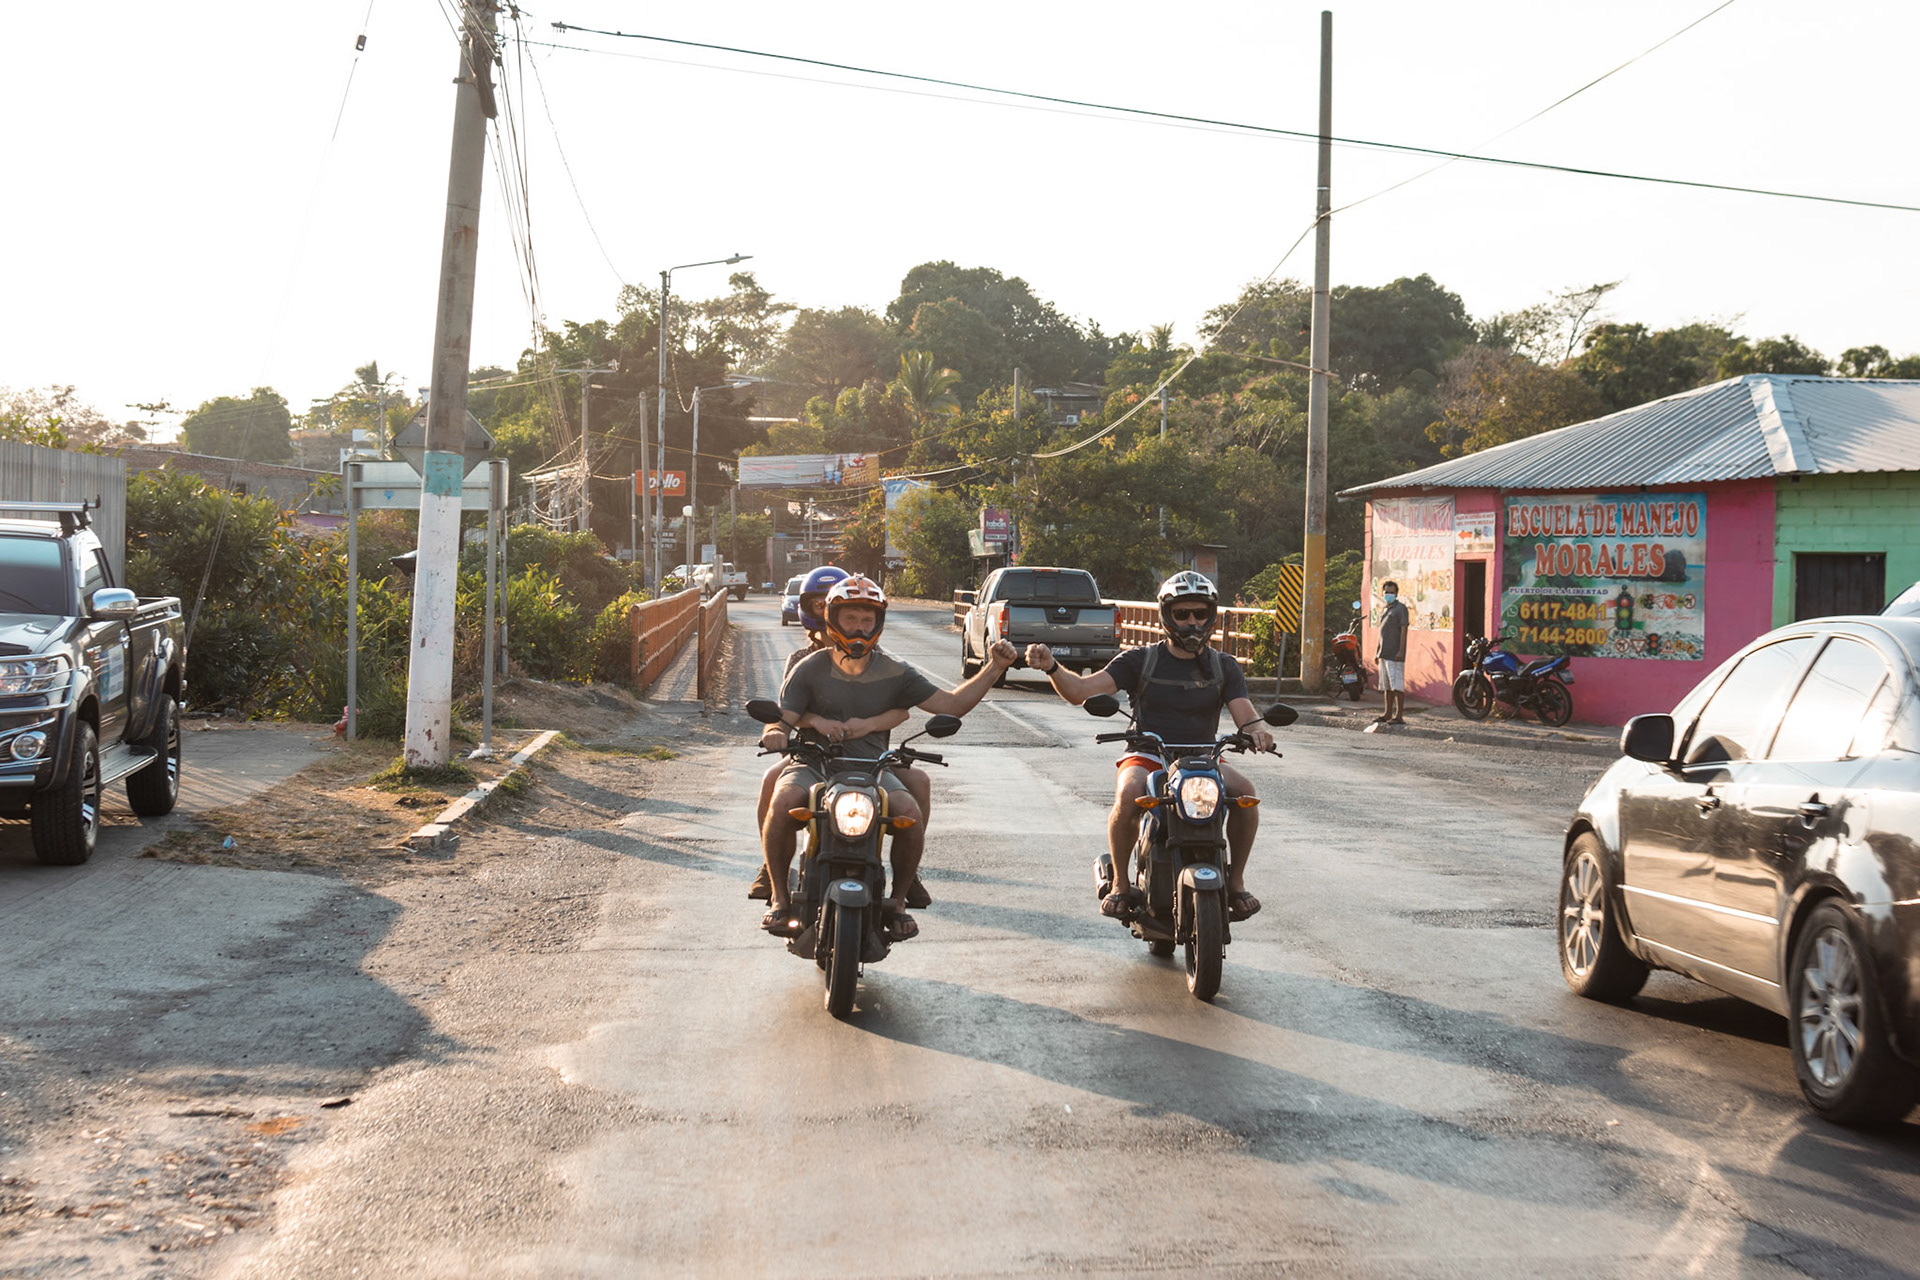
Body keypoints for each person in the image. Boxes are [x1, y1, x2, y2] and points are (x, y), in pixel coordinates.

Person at [760, 575, 1016, 942]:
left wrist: (993, 668)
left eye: (867, 620)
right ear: (832, 618)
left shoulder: (897, 671)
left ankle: (897, 903)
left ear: (878, 624)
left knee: (909, 813)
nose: (859, 629)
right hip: (815, 765)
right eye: (851, 619)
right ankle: (780, 900)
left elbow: (952, 705)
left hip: (873, 769)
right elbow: (781, 718)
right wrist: (774, 735)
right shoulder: (809, 667)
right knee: (782, 801)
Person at [1024, 570, 1274, 923]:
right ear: (1166, 615)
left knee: (1245, 794)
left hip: (1202, 758)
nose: (1191, 622)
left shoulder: (1224, 666)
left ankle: (1235, 882)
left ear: (1211, 616)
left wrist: (1258, 729)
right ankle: (1122, 885)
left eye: (1199, 614)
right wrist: (1051, 667)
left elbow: (1244, 713)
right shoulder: (1140, 660)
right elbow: (1081, 692)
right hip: (1148, 753)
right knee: (1128, 796)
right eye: (1182, 614)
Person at [747, 565, 935, 910]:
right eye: (817, 603)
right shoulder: (803, 660)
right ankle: (772, 873)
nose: (857, 625)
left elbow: (903, 709)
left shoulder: (877, 659)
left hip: (868, 757)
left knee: (918, 782)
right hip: (813, 754)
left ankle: (909, 874)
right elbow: (787, 713)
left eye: (864, 618)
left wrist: (868, 723)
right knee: (773, 783)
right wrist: (810, 722)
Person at [1375, 580, 1409, 726]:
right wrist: (1377, 651)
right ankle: (1387, 713)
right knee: (1386, 686)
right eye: (1387, 592)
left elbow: (1403, 629)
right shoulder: (1385, 609)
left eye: (1392, 592)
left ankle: (1399, 715)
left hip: (1395, 653)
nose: (1389, 594)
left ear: (1396, 593)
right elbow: (1381, 632)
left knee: (1397, 686)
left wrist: (1401, 650)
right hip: (1384, 652)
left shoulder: (1400, 609)